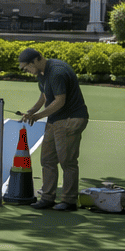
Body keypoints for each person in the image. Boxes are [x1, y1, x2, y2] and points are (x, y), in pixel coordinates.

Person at [17, 47, 89, 210]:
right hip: (56, 119)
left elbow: (59, 101)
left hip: (71, 119)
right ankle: (47, 198)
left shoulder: (56, 72)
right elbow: (45, 95)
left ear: (35, 60)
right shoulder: (41, 74)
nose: (26, 71)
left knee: (67, 161)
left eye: (26, 67)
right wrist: (32, 111)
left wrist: (38, 116)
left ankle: (69, 201)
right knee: (47, 159)